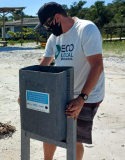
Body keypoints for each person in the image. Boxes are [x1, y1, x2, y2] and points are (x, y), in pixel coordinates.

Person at [34, 2, 105, 160]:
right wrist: (29, 89)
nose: (48, 29)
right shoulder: (55, 38)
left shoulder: (86, 29)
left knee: (74, 137)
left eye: (47, 24)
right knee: (50, 131)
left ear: (57, 17)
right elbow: (44, 64)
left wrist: (81, 98)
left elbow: (97, 66)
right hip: (64, 90)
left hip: (88, 93)